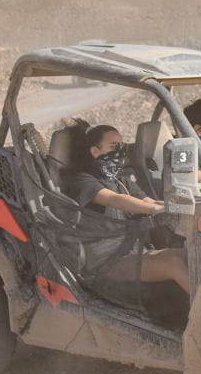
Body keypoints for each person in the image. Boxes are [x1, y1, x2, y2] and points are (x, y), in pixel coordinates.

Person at [62, 119, 190, 293]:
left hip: (135, 250)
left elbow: (149, 202)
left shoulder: (121, 181)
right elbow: (114, 199)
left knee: (187, 256)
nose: (120, 151)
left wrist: (178, 207)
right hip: (106, 261)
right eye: (114, 146)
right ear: (95, 151)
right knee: (173, 264)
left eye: (122, 146)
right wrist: (156, 210)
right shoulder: (82, 181)